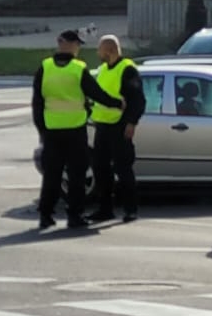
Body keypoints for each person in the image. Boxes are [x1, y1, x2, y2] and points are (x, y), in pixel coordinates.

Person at [32, 29, 123, 230]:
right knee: (76, 176)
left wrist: (42, 130)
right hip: (74, 130)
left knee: (52, 175)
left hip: (52, 130)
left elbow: (37, 103)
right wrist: (117, 103)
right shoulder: (78, 68)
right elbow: (96, 93)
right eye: (76, 44)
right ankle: (74, 216)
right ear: (67, 44)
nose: (78, 48)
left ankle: (45, 216)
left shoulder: (45, 68)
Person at [88, 34, 145, 224]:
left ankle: (131, 210)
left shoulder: (127, 69)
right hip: (103, 126)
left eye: (100, 50)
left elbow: (137, 100)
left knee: (123, 168)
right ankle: (105, 210)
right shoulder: (104, 69)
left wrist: (131, 122)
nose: (98, 53)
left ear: (109, 50)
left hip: (120, 126)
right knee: (100, 169)